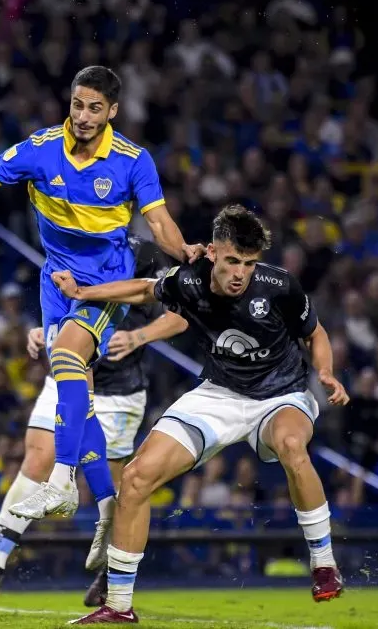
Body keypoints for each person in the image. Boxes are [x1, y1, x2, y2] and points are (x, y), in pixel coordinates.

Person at [0, 65, 198, 524]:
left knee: (68, 359)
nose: (84, 115)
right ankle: (105, 504)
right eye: (78, 104)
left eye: (95, 108)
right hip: (54, 282)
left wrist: (187, 250)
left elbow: (160, 226)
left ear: (112, 111)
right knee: (76, 390)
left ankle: (61, 481)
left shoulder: (134, 160)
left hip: (103, 283)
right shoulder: (42, 148)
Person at [53, 205, 350, 624]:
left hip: (281, 395)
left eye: (248, 264)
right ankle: (118, 606)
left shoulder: (279, 286)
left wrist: (325, 372)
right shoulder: (187, 282)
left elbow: (315, 333)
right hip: (218, 394)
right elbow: (144, 289)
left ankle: (323, 563)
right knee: (137, 478)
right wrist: (82, 293)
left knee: (290, 444)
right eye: (232, 261)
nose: (240, 274)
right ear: (213, 252)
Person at [0, 238, 189, 604]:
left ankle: (112, 571)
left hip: (117, 389)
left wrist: (138, 336)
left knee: (118, 484)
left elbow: (182, 314)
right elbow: (62, 304)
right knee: (37, 459)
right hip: (66, 376)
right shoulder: (67, 238)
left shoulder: (144, 252)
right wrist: (45, 332)